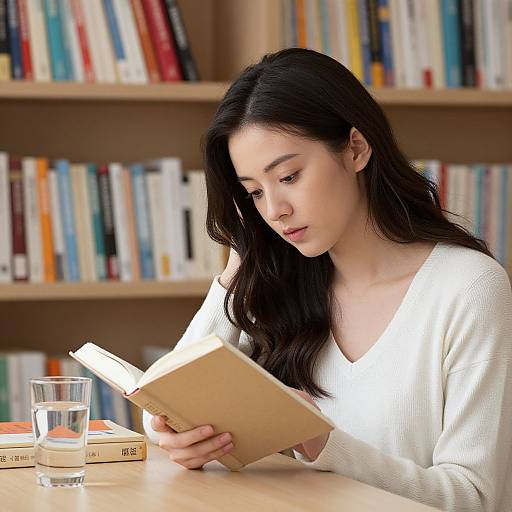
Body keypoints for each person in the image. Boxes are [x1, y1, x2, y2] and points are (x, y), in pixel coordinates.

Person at [143, 48, 512, 511]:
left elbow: (476, 498)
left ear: (356, 148)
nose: (275, 210)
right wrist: (237, 269)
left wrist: (320, 440)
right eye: (255, 192)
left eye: (290, 176)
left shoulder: (468, 288)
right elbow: (159, 403)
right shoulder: (283, 286)